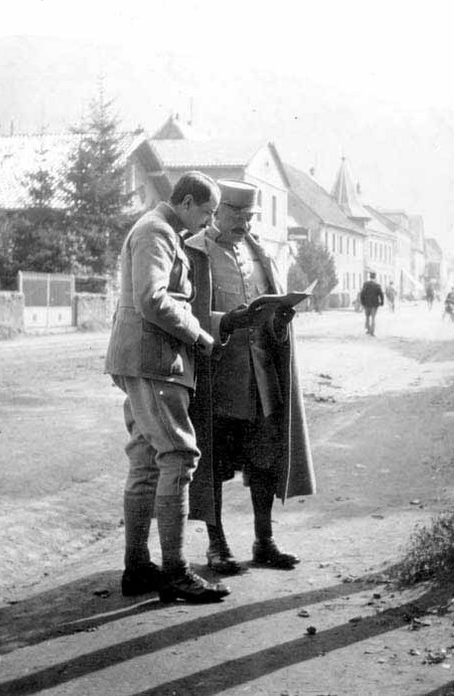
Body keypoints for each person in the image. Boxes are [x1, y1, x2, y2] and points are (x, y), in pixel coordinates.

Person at [104, 171, 231, 604]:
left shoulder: (163, 230)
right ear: (189, 201)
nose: (210, 222)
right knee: (178, 454)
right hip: (153, 361)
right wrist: (199, 335)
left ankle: (138, 566)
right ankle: (175, 573)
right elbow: (152, 299)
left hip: (147, 359)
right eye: (208, 212)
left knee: (146, 460)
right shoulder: (156, 231)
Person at [185, 179, 316, 575]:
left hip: (260, 380)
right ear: (216, 210)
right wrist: (227, 321)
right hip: (217, 380)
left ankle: (264, 541)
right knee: (213, 463)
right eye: (235, 214)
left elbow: (270, 317)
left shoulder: (259, 253)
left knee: (263, 459)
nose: (243, 223)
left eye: (249, 216)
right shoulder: (193, 253)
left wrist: (280, 317)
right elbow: (183, 316)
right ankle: (216, 544)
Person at [359, 272, 384, 336]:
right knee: (373, 318)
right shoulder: (377, 285)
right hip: (374, 304)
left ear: (369, 277)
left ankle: (368, 329)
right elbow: (381, 295)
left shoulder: (365, 284)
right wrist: (382, 302)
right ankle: (372, 332)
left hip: (367, 304)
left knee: (367, 317)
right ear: (375, 278)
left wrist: (362, 302)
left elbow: (362, 293)